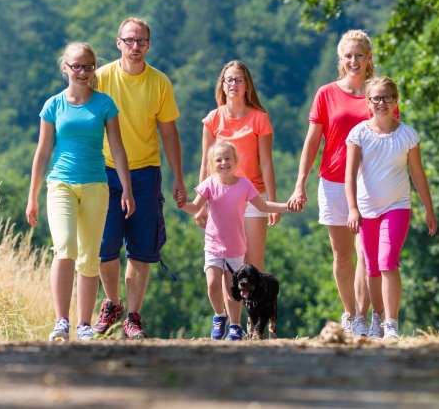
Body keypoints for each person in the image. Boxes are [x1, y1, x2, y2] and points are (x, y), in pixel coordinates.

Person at [287, 30, 394, 338]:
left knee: (367, 253)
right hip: (333, 181)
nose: (354, 61)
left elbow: (392, 135)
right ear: (340, 59)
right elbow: (312, 142)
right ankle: (350, 312)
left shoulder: (379, 93)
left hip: (370, 184)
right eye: (348, 55)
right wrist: (299, 184)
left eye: (359, 55)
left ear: (369, 58)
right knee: (342, 256)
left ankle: (368, 316)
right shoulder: (326, 94)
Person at [26, 41, 135, 342]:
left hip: (96, 185)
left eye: (88, 66)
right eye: (77, 66)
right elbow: (43, 151)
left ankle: (84, 323)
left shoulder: (104, 105)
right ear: (65, 68)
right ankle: (61, 320)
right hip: (60, 183)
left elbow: (117, 148)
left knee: (89, 256)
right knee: (64, 248)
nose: (83, 72)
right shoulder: (53, 105)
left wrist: (127, 188)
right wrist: (32, 196)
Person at [92, 17, 187, 339]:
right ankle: (112, 302)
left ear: (149, 44)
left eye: (141, 42)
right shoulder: (101, 77)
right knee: (105, 246)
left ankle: (133, 314)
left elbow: (169, 132)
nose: (135, 47)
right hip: (105, 170)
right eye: (129, 41)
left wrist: (177, 177)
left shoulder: (159, 83)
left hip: (146, 170)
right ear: (118, 42)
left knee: (142, 248)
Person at [345, 76, 437, 339]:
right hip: (366, 210)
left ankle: (391, 323)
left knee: (388, 262)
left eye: (387, 97)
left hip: (397, 206)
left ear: (396, 101)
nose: (382, 103)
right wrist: (352, 209)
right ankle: (376, 316)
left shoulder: (407, 135)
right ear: (368, 102)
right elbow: (349, 176)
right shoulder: (359, 134)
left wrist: (428, 209)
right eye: (376, 98)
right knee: (372, 267)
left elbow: (417, 174)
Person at [181, 141, 289, 340]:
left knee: (236, 291)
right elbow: (195, 208)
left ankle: (235, 325)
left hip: (235, 248)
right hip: (213, 245)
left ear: (236, 161)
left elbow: (263, 206)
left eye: (227, 158)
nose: (224, 163)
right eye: (219, 160)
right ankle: (219, 316)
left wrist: (286, 206)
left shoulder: (244, 185)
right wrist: (182, 204)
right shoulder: (209, 184)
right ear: (212, 164)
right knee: (212, 284)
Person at [198, 60, 278, 271]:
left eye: (239, 80)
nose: (234, 84)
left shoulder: (260, 119)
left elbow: (267, 163)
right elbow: (206, 164)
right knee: (226, 265)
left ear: (247, 85)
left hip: (254, 197)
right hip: (221, 198)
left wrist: (272, 201)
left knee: (253, 265)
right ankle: (229, 306)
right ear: (222, 85)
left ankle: (256, 305)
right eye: (229, 80)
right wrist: (201, 203)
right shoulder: (213, 120)